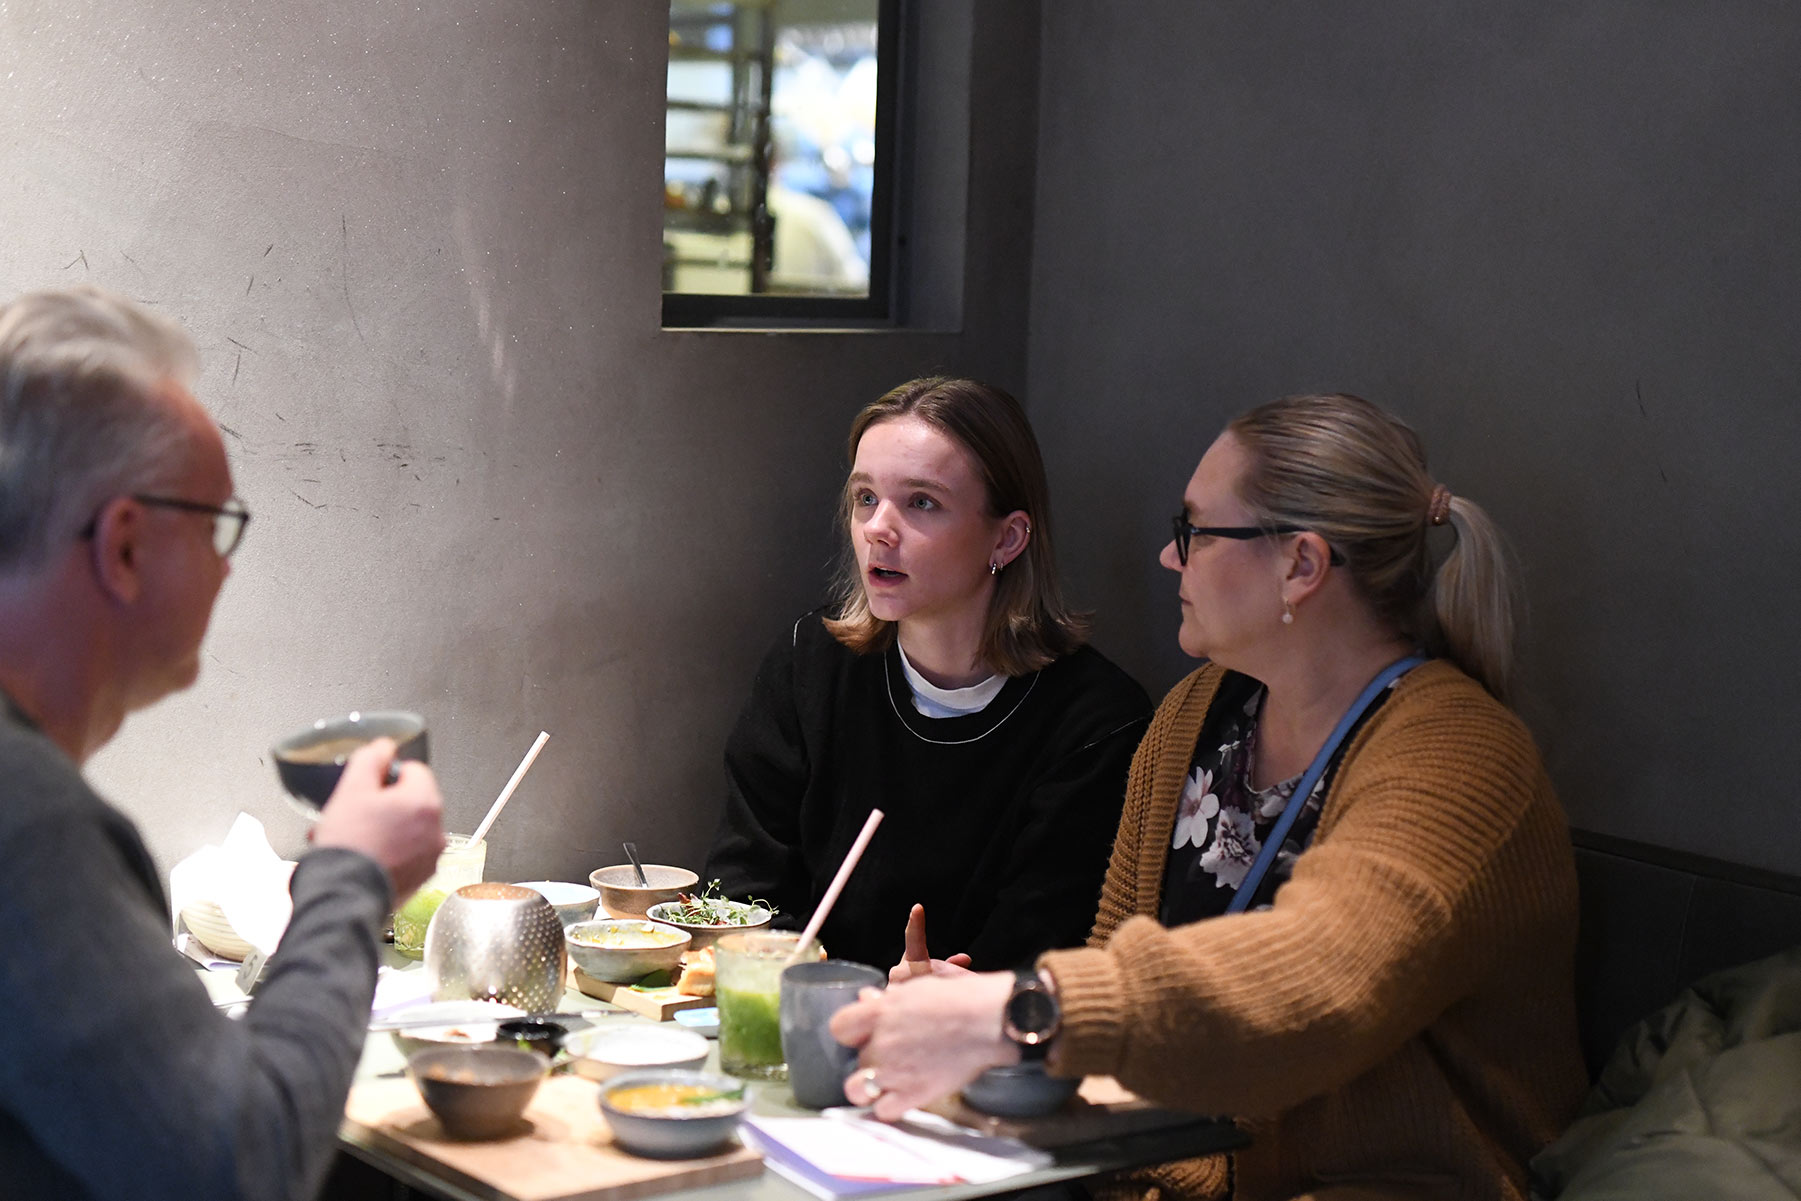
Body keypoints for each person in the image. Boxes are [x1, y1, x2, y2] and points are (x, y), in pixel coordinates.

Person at [832, 393, 1589, 1201]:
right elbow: (1116, 990)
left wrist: (1018, 1014)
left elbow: (1318, 980)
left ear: (1300, 565)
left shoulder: (1457, 754)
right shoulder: (1196, 712)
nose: (1169, 556)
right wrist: (989, 1036)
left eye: (1193, 531)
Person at [0, 286, 446, 1201]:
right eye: (214, 527)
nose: (226, 567)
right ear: (124, 547)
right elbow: (241, 1161)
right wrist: (351, 874)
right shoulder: (28, 821)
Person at [704, 377, 1151, 973]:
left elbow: (1042, 950)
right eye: (866, 497)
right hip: (796, 1004)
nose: (877, 528)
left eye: (921, 503)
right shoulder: (809, 663)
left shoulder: (1096, 723)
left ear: (1007, 537)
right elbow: (740, 892)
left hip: (977, 1024)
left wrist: (937, 998)